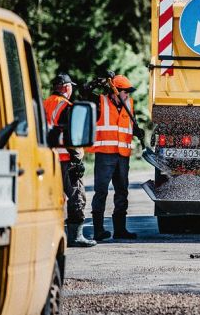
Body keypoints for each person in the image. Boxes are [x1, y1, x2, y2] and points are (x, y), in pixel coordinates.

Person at [82, 73, 144, 241]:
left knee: (122, 192)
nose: (128, 95)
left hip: (123, 156)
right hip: (105, 155)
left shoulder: (129, 104)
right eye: (125, 91)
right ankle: (98, 230)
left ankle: (120, 229)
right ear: (115, 91)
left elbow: (130, 125)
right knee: (101, 192)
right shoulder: (101, 102)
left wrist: (137, 132)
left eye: (129, 92)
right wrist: (97, 82)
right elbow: (84, 92)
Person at [44, 73, 96, 248]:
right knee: (76, 196)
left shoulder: (44, 104)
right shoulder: (65, 107)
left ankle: (50, 235)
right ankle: (75, 236)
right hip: (67, 159)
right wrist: (76, 160)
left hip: (50, 158)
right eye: (71, 87)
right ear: (66, 88)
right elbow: (70, 135)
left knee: (53, 198)